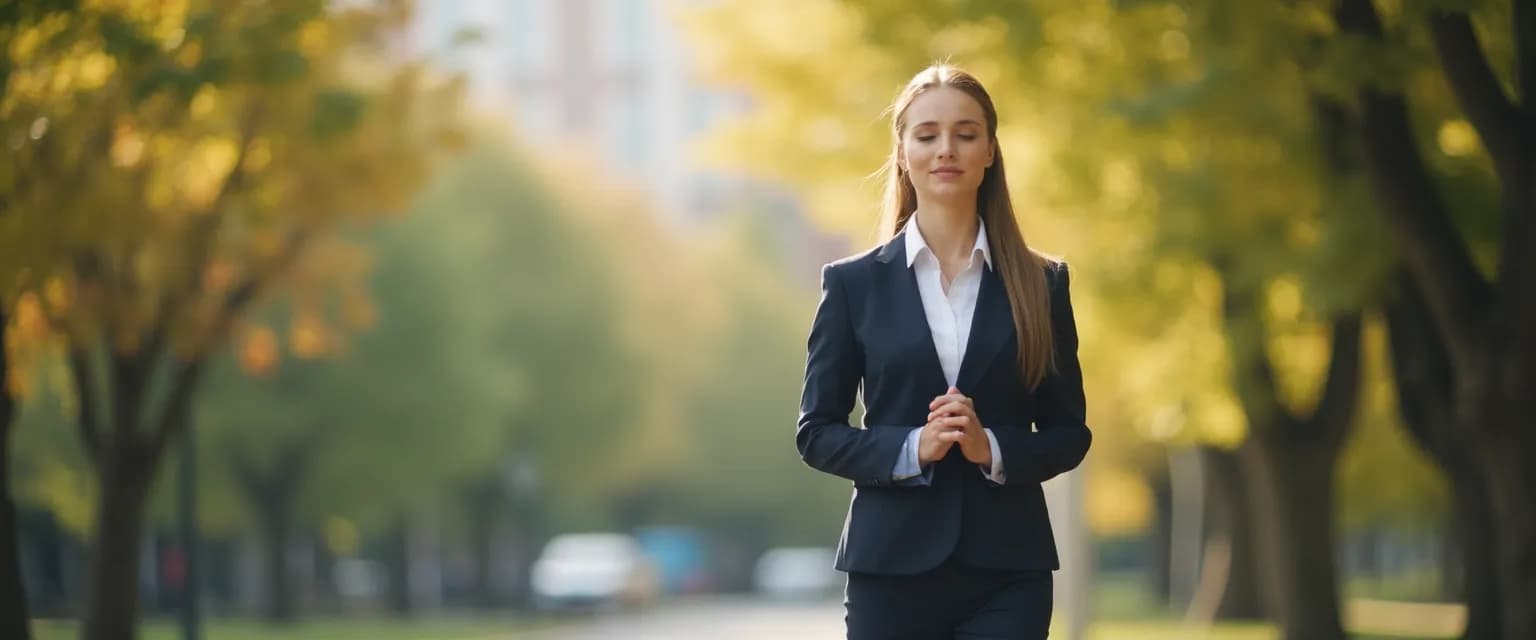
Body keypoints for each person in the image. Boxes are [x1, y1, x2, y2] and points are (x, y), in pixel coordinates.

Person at [796, 64, 1093, 639]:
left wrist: (993, 450)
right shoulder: (853, 285)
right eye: (927, 135)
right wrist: (912, 448)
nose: (946, 149)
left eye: (966, 132)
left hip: (1009, 571)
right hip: (889, 569)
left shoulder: (1043, 283)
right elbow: (816, 431)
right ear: (903, 152)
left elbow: (1069, 431)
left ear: (989, 150)